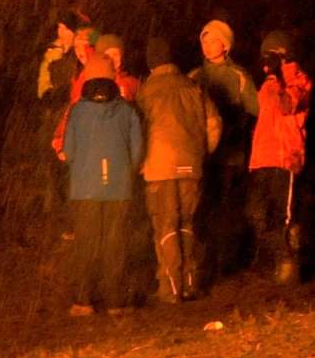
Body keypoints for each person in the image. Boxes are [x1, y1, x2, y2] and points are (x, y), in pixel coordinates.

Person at [56, 53, 144, 315]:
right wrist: (125, 170)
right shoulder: (127, 110)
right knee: (116, 244)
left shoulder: (77, 111)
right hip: (119, 188)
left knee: (86, 244)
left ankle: (84, 301)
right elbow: (137, 150)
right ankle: (116, 301)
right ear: (113, 77)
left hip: (85, 188)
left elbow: (68, 151)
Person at [137, 36, 221, 301]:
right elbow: (214, 124)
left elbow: (137, 131)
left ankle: (171, 287)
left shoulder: (146, 91)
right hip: (191, 165)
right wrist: (201, 152)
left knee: (165, 224)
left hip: (158, 167)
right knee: (186, 222)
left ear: (151, 62)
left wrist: (140, 161)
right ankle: (190, 282)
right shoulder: (193, 86)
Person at [192, 19, 260, 278]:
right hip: (204, 156)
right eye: (205, 41)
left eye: (214, 41)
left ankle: (227, 262)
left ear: (226, 45)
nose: (208, 46)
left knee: (228, 209)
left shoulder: (239, 76)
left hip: (231, 156)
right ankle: (207, 262)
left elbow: (256, 112)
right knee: (205, 208)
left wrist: (237, 129)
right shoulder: (195, 76)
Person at [248, 30, 312, 283]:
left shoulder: (299, 80)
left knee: (283, 215)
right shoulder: (267, 83)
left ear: (286, 55)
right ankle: (283, 252)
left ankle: (288, 267)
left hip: (286, 156)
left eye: (273, 54)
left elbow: (287, 106)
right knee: (256, 213)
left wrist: (278, 79)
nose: (268, 60)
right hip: (263, 157)